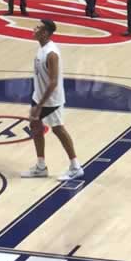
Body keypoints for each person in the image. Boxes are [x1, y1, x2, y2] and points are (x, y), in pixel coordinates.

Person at [24, 19, 84, 181]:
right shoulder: (41, 48)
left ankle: (76, 166)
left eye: (38, 27)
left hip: (51, 100)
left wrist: (40, 105)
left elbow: (53, 82)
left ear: (45, 33)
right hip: (39, 96)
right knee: (35, 126)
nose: (34, 29)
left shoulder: (51, 53)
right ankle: (41, 166)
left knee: (58, 129)